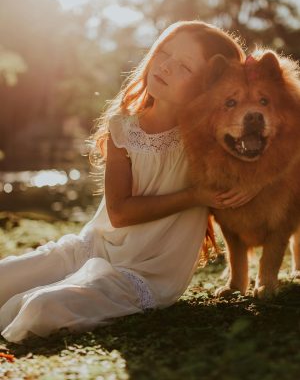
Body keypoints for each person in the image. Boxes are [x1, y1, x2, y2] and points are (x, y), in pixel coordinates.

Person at [0, 20, 259, 344]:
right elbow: (120, 213)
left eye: (184, 66)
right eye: (164, 52)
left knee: (40, 308)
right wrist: (195, 196)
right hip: (94, 247)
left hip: (144, 274)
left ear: (208, 87)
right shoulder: (123, 126)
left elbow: (263, 160)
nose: (165, 66)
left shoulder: (210, 139)